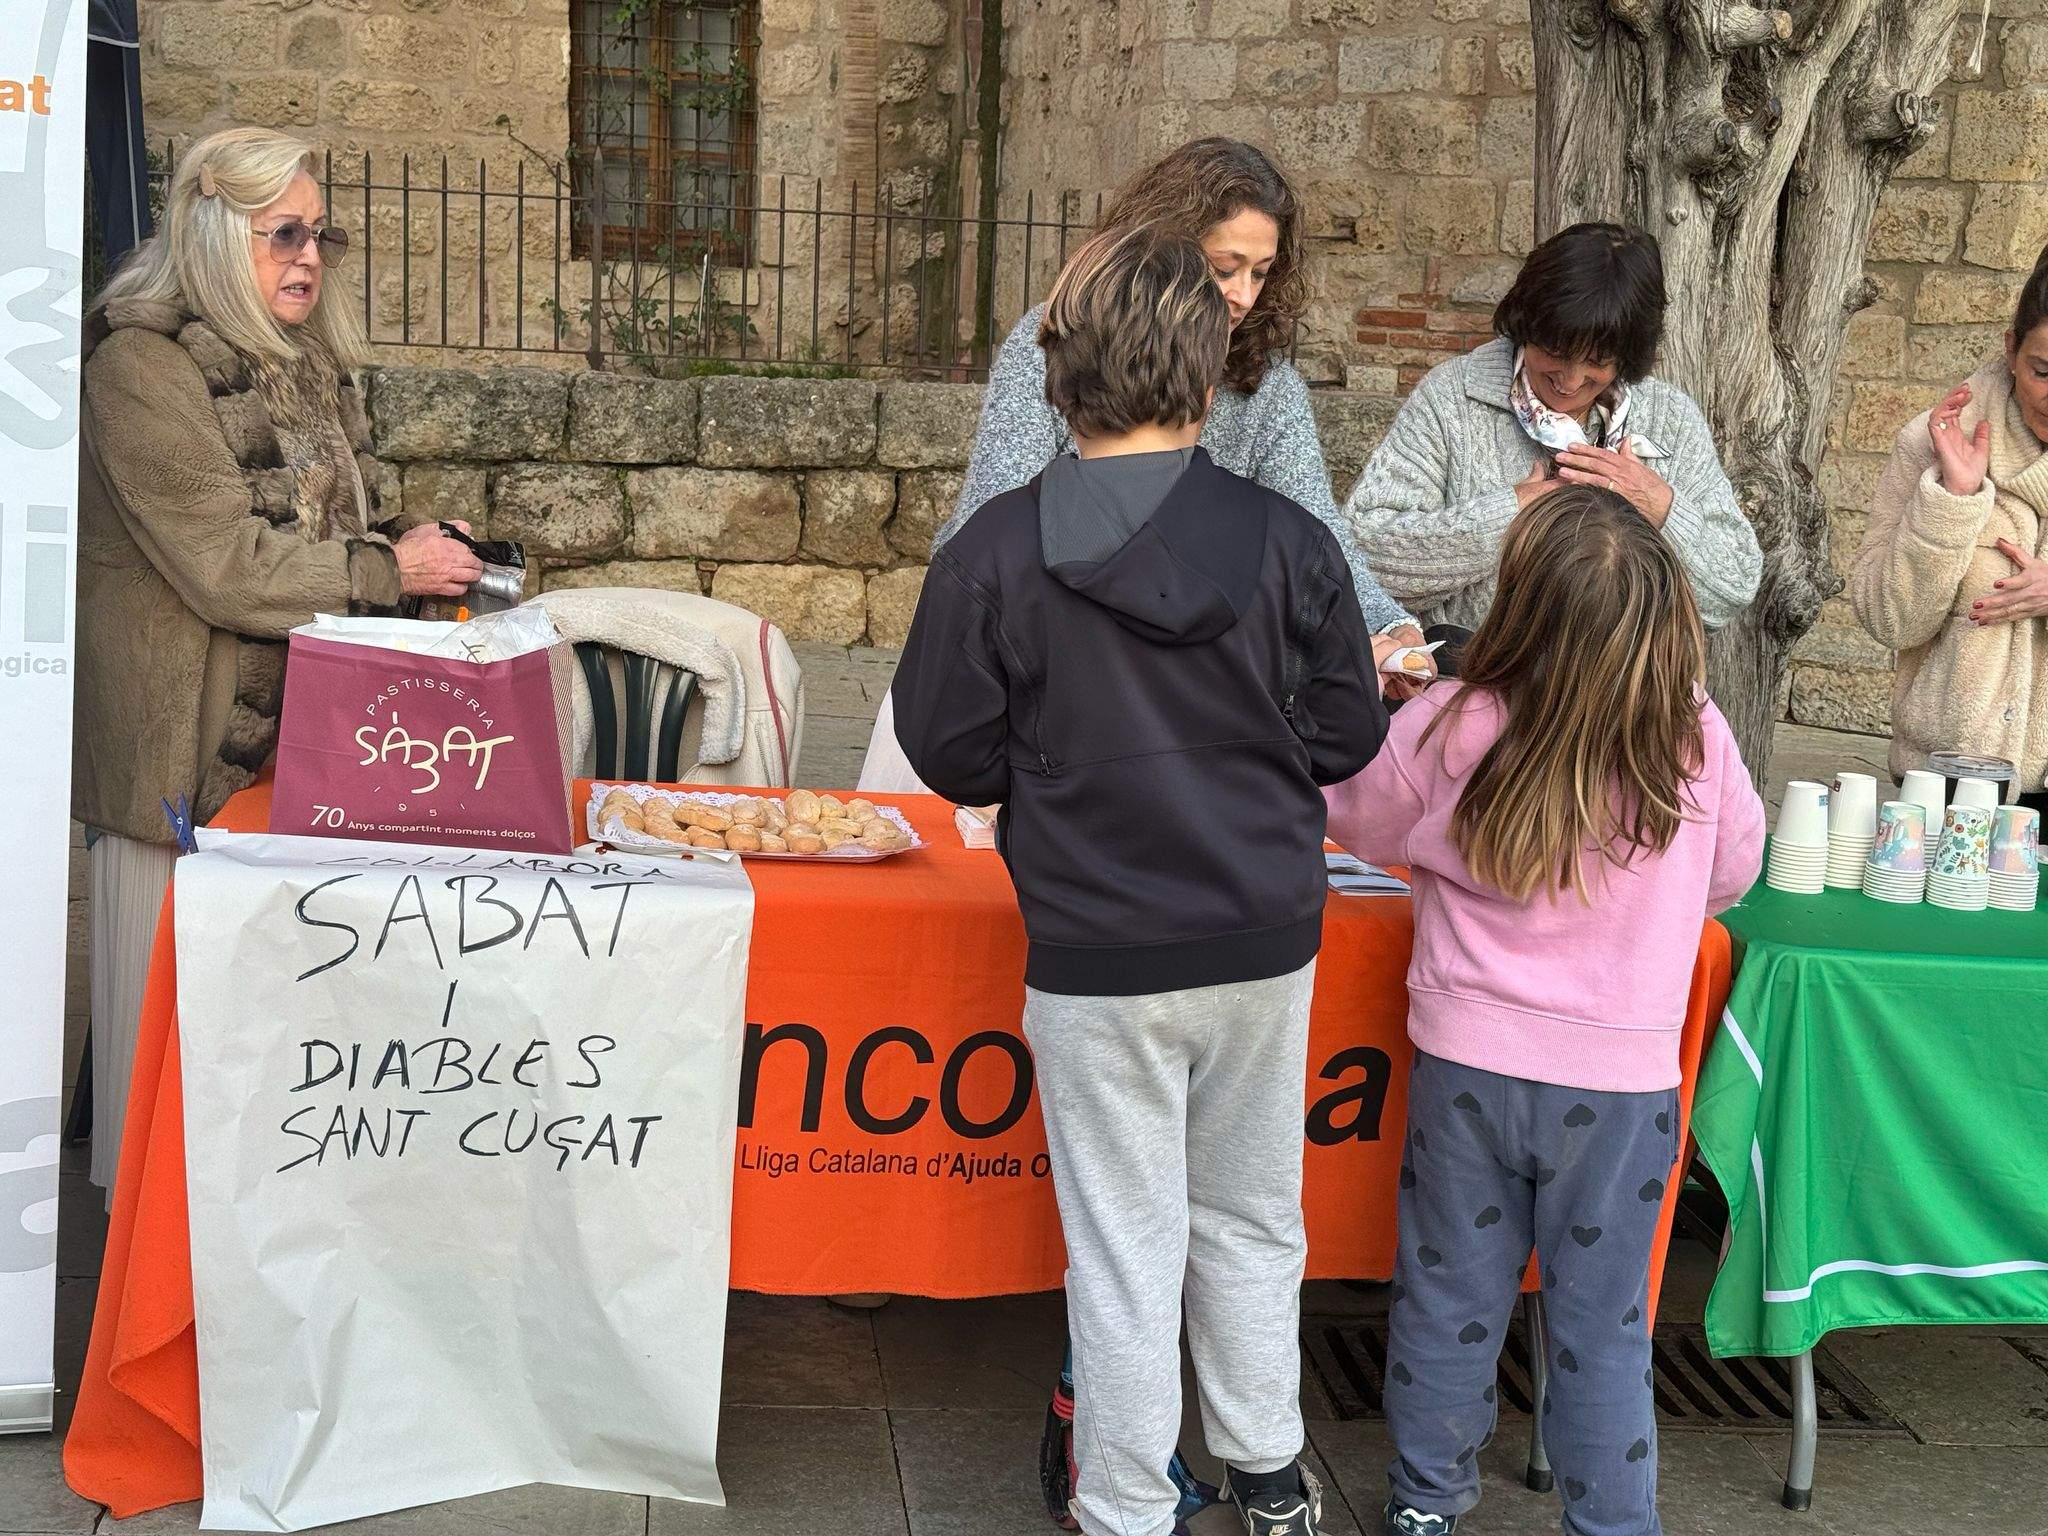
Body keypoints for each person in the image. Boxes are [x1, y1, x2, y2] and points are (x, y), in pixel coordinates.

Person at [892, 226, 1389, 1536]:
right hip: (1262, 935)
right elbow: (1348, 734)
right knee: (1250, 1218)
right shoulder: (1284, 540)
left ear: (1054, 372)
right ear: (1210, 362)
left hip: (1099, 948)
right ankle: (1272, 1475)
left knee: (1122, 1250)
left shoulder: (997, 549)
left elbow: (945, 748)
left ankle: (1125, 1507)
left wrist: (1046, 772)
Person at [1324, 485, 1764, 1536]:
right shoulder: (1690, 737)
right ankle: (1610, 1524)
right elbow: (1733, 870)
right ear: (1666, 622)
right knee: (1601, 1332)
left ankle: (1426, 1506)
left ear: (1516, 602)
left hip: (1466, 1074)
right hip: (1619, 1096)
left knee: (1445, 1304)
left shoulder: (1449, 722)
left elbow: (1346, 814)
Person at [76, 127, 482, 1190]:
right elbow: (222, 563)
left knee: (251, 1077)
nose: (309, 257)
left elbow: (327, 531)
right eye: (282, 235)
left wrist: (411, 543)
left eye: (320, 234)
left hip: (296, 758)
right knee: (157, 1088)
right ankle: (136, 1307)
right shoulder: (139, 368)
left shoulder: (295, 365)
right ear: (215, 237)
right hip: (185, 762)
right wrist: (388, 570)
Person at [860, 136, 1426, 794]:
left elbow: (1314, 525)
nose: (1243, 294)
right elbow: (995, 513)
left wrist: (1389, 624)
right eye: (1225, 267)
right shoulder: (1053, 341)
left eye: (1261, 271)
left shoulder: (1269, 384)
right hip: (1046, 662)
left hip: (1187, 683)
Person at [1340, 223, 1762, 640]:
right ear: (1527, 326)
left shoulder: (1672, 420)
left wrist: (1662, 508)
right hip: (1471, 691)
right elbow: (1361, 557)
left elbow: (1731, 589)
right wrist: (1509, 515)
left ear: (1629, 355)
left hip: (1621, 701)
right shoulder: (1453, 398)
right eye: (1556, 353)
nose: (1571, 381)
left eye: (1598, 362)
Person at [1849, 245, 2048, 811]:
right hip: (1943, 784)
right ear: (2011, 350)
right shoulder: (1933, 444)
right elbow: (1888, 619)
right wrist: (1952, 501)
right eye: (2044, 371)